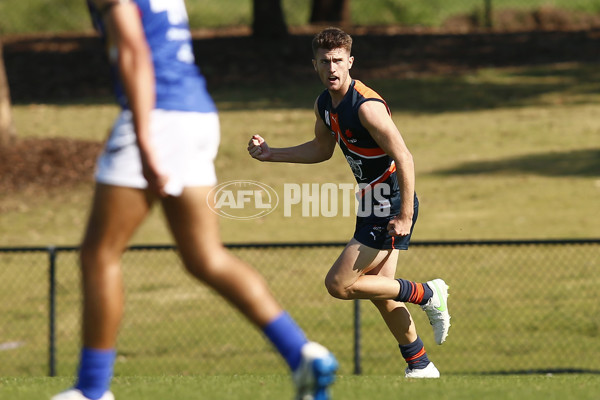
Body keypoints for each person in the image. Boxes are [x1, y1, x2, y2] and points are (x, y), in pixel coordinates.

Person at [52, 1, 337, 400]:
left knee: (99, 254)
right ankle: (302, 354)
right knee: (205, 257)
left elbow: (134, 50)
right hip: (196, 113)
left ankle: (92, 389)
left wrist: (147, 143)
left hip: (159, 115)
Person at [248, 27, 450, 378]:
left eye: (338, 61)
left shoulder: (367, 107)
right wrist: (271, 154)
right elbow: (321, 150)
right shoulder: (324, 104)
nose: (332, 68)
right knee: (381, 291)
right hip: (371, 202)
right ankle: (420, 365)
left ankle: (427, 292)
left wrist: (403, 215)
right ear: (315, 64)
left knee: (339, 284)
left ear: (350, 61)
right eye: (325, 61)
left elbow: (405, 158)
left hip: (390, 202)